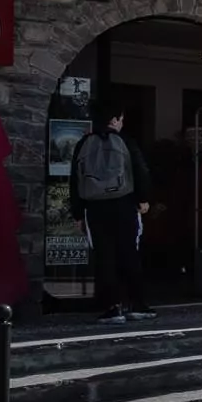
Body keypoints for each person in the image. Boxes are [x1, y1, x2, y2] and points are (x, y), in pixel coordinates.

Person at [70, 102, 155, 325]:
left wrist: (77, 213)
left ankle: (111, 307)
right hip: (124, 204)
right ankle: (137, 304)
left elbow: (74, 180)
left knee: (104, 257)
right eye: (121, 119)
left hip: (94, 208)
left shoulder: (83, 144)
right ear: (115, 120)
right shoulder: (126, 141)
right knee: (129, 253)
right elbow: (140, 170)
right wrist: (143, 198)